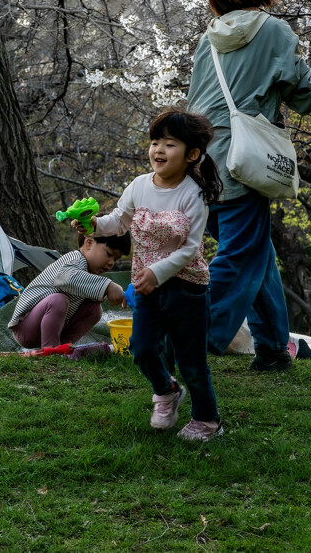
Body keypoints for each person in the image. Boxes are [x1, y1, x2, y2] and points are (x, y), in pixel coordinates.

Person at [186, 0, 311, 370]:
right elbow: (306, 99)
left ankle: (274, 349)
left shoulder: (207, 41)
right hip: (244, 162)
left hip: (202, 161)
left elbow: (195, 104)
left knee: (255, 254)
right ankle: (191, 337)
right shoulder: (276, 32)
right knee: (241, 256)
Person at [86, 110, 224, 442]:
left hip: (187, 288)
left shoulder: (194, 193)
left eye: (169, 144)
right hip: (147, 286)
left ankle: (208, 421)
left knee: (191, 362)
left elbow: (190, 249)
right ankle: (166, 391)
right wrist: (93, 224)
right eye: (154, 142)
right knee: (142, 348)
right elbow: (119, 221)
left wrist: (157, 272)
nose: (158, 150)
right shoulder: (138, 186)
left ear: (192, 154)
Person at [8, 233, 131, 349]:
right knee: (58, 300)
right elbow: (65, 279)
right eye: (109, 254)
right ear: (88, 243)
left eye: (116, 259)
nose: (111, 263)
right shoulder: (75, 259)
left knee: (94, 309)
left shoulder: (88, 271)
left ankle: (64, 346)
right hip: (26, 327)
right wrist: (108, 286)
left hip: (53, 328)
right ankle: (52, 350)